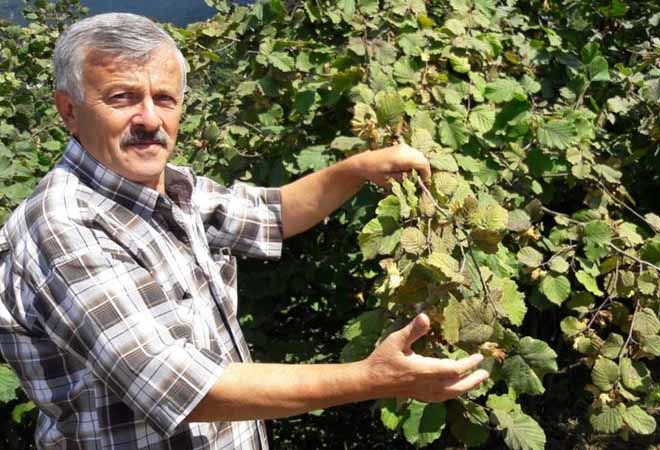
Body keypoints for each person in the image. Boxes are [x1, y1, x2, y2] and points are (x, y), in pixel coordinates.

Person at [0, 13, 489, 449]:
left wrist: (359, 169)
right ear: (68, 111)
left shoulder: (174, 188)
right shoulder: (65, 227)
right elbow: (183, 391)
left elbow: (273, 212)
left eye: (164, 99)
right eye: (122, 97)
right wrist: (373, 378)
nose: (150, 119)